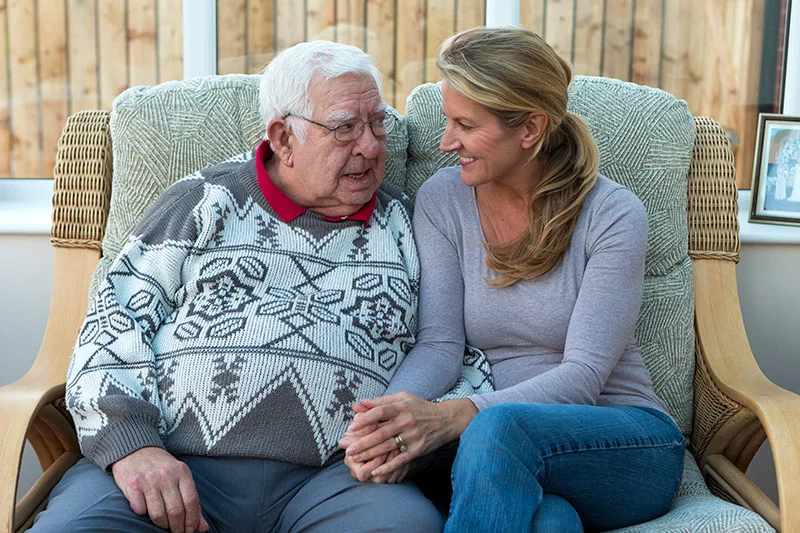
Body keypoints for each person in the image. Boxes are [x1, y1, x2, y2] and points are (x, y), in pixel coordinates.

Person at [30, 40, 445, 533]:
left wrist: (417, 441)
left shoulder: (408, 223)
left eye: (378, 123)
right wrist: (133, 445)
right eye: (345, 128)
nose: (372, 146)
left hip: (338, 479)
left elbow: (454, 345)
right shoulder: (203, 201)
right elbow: (112, 323)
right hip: (175, 462)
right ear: (283, 138)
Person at [340, 27, 685, 532]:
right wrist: (386, 421)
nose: (446, 141)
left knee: (495, 429)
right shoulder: (443, 199)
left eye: (465, 125)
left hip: (624, 444)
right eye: (446, 120)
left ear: (529, 129)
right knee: (550, 523)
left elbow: (585, 377)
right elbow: (439, 343)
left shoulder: (612, 215)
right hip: (504, 459)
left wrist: (455, 416)